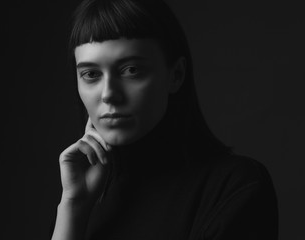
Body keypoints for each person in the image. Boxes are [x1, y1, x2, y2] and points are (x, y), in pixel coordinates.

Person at [51, 0, 279, 239]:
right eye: (91, 74)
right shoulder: (85, 198)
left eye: (131, 70)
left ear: (176, 75)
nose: (108, 93)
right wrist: (73, 205)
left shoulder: (233, 187)